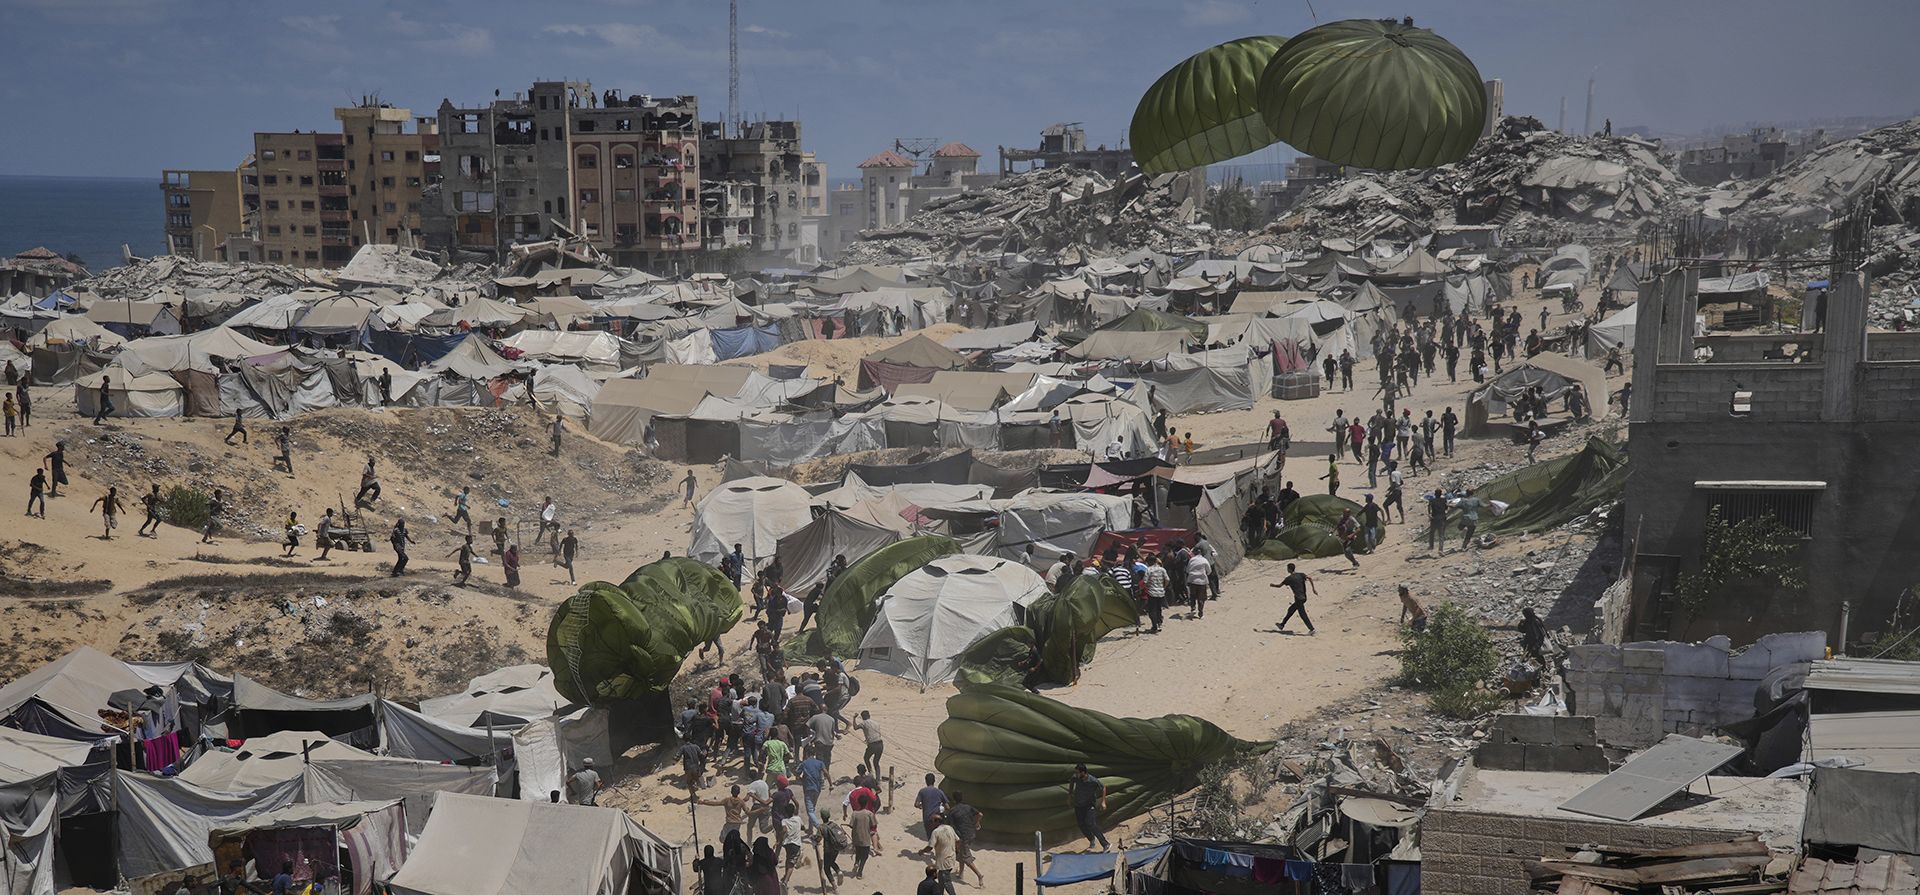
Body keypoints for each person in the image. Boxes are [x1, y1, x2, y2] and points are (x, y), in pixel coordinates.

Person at [947, 792, 985, 885]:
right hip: (972, 834)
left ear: (954, 800)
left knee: (966, 857)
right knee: (961, 854)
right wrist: (977, 823)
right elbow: (980, 814)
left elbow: (951, 827)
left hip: (963, 836)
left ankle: (979, 875)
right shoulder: (968, 807)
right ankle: (960, 874)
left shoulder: (952, 811)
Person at [1070, 763, 1110, 851]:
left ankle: (1105, 844)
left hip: (1089, 805)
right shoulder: (1076, 778)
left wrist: (1103, 802)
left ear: (1083, 772)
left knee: (1091, 823)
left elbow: (1103, 788)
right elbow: (1072, 782)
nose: (1076, 774)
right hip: (1078, 805)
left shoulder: (1092, 780)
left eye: (1078, 773)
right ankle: (1091, 839)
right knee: (1081, 824)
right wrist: (1070, 795)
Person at [1272, 563, 1318, 633]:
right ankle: (1282, 625)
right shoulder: (1301, 574)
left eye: (1287, 568)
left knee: (1302, 614)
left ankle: (1312, 629)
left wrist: (1272, 585)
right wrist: (1313, 589)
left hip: (1298, 598)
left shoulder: (1288, 579)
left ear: (1289, 569)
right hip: (1304, 597)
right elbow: (1310, 578)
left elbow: (1279, 586)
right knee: (1291, 609)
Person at [929, 817, 961, 895]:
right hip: (951, 858)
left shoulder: (935, 832)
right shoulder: (949, 828)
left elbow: (930, 847)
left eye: (932, 821)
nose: (931, 823)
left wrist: (921, 851)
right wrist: (957, 851)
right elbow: (958, 840)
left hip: (944, 862)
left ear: (937, 822)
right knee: (941, 878)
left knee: (946, 882)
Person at [849, 801, 879, 877]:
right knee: (864, 856)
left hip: (856, 838)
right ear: (866, 803)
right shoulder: (869, 814)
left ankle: (856, 863)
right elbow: (874, 825)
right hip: (866, 838)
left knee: (858, 853)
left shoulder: (854, 813)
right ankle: (860, 872)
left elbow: (851, 825)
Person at [1141, 552, 1169, 633]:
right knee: (1158, 609)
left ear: (1150, 562)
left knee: (1152, 610)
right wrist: (1164, 587)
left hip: (1151, 593)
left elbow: (1145, 581)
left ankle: (1154, 625)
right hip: (1161, 592)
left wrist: (1145, 588)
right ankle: (1159, 623)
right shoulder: (1162, 569)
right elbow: (1167, 579)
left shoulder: (1148, 570)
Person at [915, 773, 948, 839]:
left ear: (926, 781)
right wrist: (942, 809)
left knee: (930, 838)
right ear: (934, 781)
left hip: (927, 818)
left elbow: (916, 804)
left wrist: (922, 806)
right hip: (937, 818)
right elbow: (947, 807)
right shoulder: (939, 792)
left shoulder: (922, 791)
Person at [1184, 544, 1211, 620]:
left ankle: (1193, 608)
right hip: (1202, 581)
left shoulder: (1191, 560)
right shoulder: (1204, 560)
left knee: (1192, 596)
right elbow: (1209, 571)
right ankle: (1201, 614)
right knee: (1201, 598)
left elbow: (1188, 570)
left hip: (1192, 581)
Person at [856, 710, 884, 775]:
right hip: (880, 744)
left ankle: (870, 772)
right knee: (876, 762)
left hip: (872, 745)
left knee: (866, 758)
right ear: (869, 715)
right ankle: (878, 778)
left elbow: (855, 727)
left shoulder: (864, 723)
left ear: (862, 717)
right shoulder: (876, 723)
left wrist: (854, 718)